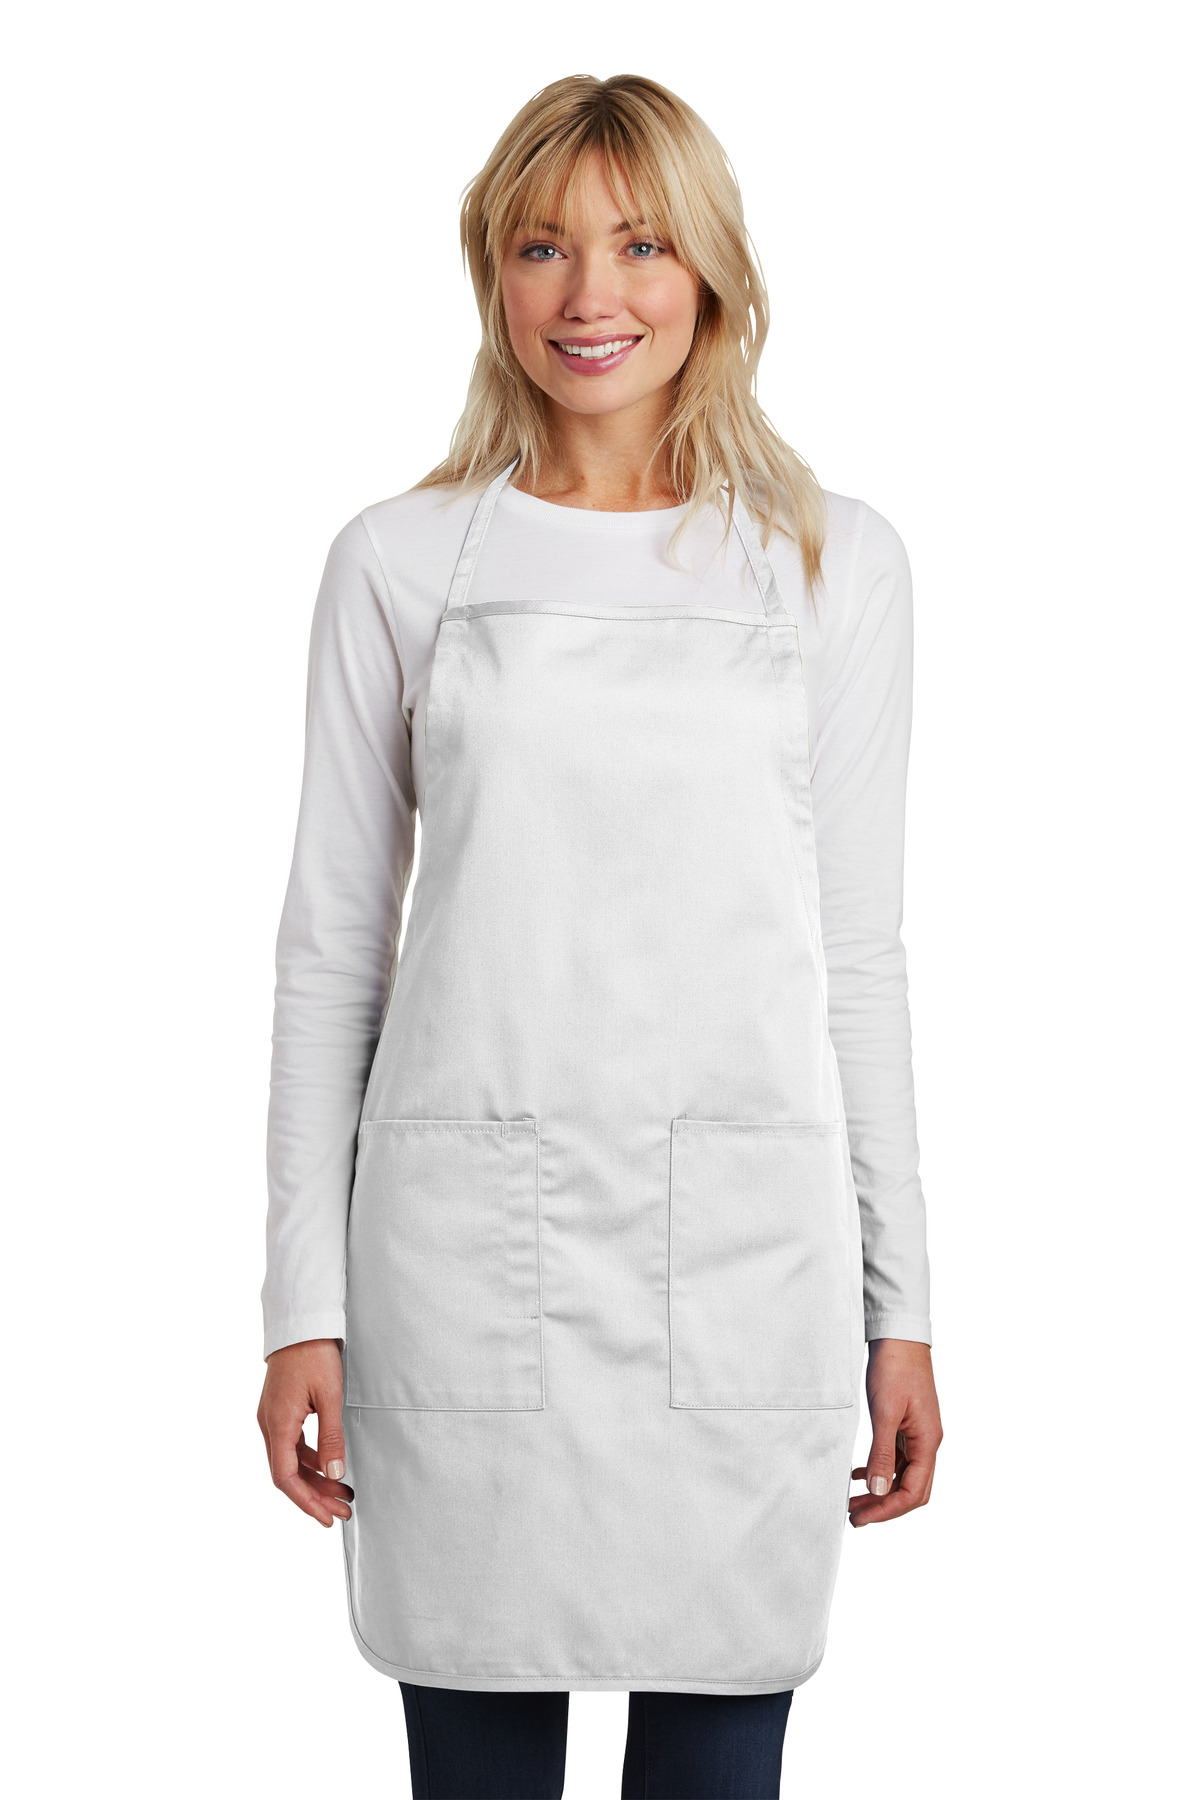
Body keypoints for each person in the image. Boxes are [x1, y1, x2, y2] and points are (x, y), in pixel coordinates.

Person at [257, 71, 942, 1800]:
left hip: (747, 1267)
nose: (591, 295)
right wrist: (299, 1304)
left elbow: (861, 953)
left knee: (719, 1750)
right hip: (459, 1272)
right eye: (543, 247)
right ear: (492, 271)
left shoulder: (831, 566)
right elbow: (332, 953)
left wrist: (905, 1305)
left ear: (712, 272)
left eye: (641, 245)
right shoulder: (400, 562)